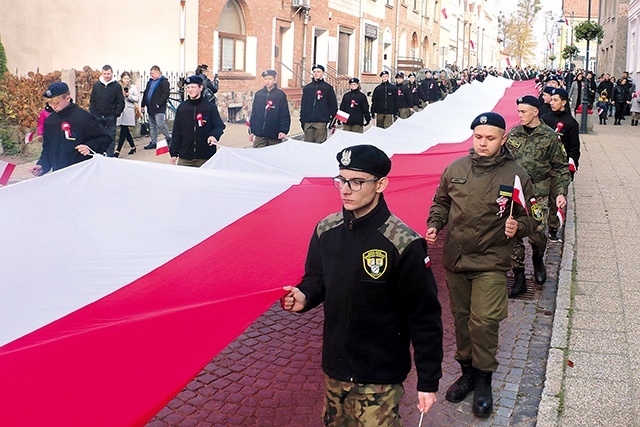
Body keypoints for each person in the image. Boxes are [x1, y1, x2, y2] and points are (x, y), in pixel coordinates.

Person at [281, 144, 443, 426]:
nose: (345, 189)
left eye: (356, 182)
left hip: (379, 378)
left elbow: (425, 317)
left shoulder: (404, 243)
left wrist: (428, 381)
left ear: (381, 184)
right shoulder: (326, 230)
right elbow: (316, 278)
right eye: (341, 180)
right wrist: (305, 296)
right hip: (335, 370)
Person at [426, 112, 537, 419]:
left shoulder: (516, 174)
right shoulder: (456, 168)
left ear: (503, 139)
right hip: (457, 259)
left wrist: (521, 227)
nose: (483, 143)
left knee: (484, 321)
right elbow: (442, 201)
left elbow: (535, 217)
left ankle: (484, 378)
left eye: (490, 138)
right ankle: (468, 373)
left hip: (491, 261)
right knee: (461, 320)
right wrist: (435, 223)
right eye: (478, 137)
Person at [505, 96, 570, 297]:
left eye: (523, 111)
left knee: (537, 233)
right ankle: (519, 274)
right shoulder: (513, 133)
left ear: (535, 111)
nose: (520, 115)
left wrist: (560, 192)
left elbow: (560, 167)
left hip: (539, 192)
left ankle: (537, 258)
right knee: (513, 232)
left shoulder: (550, 137)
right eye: (518, 111)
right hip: (516, 192)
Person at [29, 82, 111, 176]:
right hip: (59, 174)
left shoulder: (84, 118)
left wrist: (89, 147)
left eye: (56, 103)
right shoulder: (50, 121)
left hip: (82, 173)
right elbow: (48, 148)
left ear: (67, 98)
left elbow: (105, 138)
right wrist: (42, 166)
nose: (53, 106)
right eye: (50, 103)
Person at [541, 88, 581, 242]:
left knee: (556, 199)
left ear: (564, 102)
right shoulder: (544, 118)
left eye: (555, 100)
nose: (552, 102)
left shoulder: (571, 123)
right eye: (551, 100)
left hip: (560, 167)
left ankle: (553, 228)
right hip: (543, 165)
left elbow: (573, 148)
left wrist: (571, 168)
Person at [169, 75, 225, 167]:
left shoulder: (210, 107)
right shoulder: (182, 108)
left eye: (193, 87)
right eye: (188, 87)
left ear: (200, 87)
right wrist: (173, 153)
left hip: (205, 156)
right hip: (185, 157)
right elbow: (177, 131)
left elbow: (219, 126)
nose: (190, 90)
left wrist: (214, 136)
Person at [89, 64, 125, 157]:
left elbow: (121, 102)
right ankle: (99, 155)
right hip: (98, 116)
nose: (106, 76)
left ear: (112, 73)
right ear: (102, 73)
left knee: (110, 137)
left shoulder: (116, 86)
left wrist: (115, 114)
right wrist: (93, 113)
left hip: (110, 117)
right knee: (98, 137)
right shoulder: (97, 85)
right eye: (105, 73)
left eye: (108, 73)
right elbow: (92, 100)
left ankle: (110, 156)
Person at [249, 69, 291, 147]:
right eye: (265, 79)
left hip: (274, 134)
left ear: (274, 80)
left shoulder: (280, 95)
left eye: (269, 79)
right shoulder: (259, 95)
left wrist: (283, 130)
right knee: (257, 156)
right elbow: (254, 114)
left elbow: (284, 114)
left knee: (273, 157)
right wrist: (252, 131)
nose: (267, 81)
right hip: (260, 134)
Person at [299, 64, 338, 143]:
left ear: (322, 73)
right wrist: (302, 119)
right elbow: (304, 105)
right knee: (307, 145)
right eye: (314, 72)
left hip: (321, 121)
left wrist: (333, 119)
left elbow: (332, 104)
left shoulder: (327, 88)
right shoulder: (307, 88)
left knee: (319, 144)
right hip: (308, 121)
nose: (316, 73)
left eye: (318, 72)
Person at [141, 65, 172, 150]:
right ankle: (153, 142)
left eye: (153, 73)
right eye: (151, 73)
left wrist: (159, 103)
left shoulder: (163, 81)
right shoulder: (150, 82)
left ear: (158, 72)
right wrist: (142, 105)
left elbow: (166, 93)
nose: (151, 75)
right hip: (150, 107)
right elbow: (146, 93)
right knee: (152, 125)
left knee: (160, 123)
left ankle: (169, 138)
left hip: (159, 107)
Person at [115, 71, 139, 156]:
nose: (126, 80)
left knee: (124, 128)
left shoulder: (133, 87)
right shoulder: (118, 87)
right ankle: (133, 147)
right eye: (125, 78)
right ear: (122, 79)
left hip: (128, 109)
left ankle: (118, 150)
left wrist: (129, 95)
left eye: (128, 78)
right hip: (121, 110)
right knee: (124, 129)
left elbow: (137, 99)